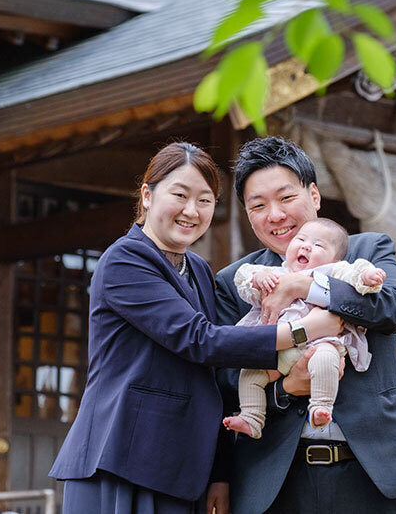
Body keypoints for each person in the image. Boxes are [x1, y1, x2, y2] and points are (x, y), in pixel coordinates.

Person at [48, 142, 343, 514]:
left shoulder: (201, 272)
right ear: (147, 195)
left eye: (205, 200)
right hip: (121, 457)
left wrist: (218, 474)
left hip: (181, 467)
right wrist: (306, 329)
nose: (192, 210)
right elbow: (199, 340)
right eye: (180, 195)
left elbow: (212, 379)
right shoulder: (124, 260)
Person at [216, 136, 396, 513]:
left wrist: (303, 284)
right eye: (258, 205)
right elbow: (224, 378)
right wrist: (287, 387)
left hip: (370, 471)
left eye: (286, 197)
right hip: (274, 478)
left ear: (314, 195)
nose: (275, 215)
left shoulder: (366, 251)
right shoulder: (238, 281)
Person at [223, 218, 387, 439]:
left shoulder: (333, 270)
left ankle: (321, 407)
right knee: (249, 374)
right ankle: (252, 417)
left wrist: (367, 277)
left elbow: (355, 273)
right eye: (300, 239)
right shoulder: (275, 273)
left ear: (335, 258)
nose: (306, 246)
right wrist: (258, 278)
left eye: (319, 245)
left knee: (326, 360)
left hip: (318, 345)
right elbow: (244, 280)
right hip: (276, 353)